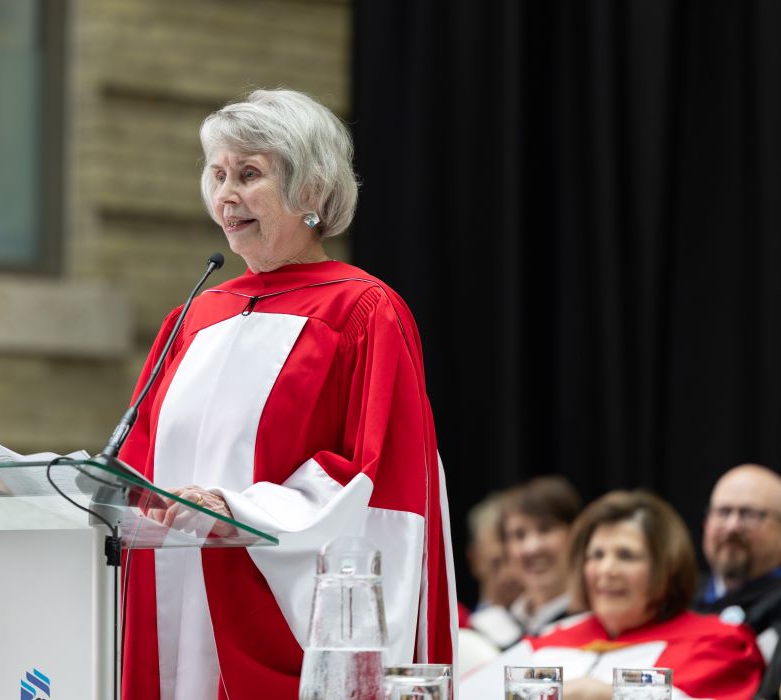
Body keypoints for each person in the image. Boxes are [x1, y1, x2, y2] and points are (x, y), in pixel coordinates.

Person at [116, 88, 456, 700]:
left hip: (275, 615)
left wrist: (235, 511)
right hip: (173, 595)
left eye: (249, 175)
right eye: (217, 174)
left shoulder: (362, 311)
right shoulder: (195, 315)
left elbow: (372, 480)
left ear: (314, 191)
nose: (225, 194)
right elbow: (138, 460)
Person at [461, 490, 764, 700]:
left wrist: (610, 694)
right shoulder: (549, 641)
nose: (607, 569)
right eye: (596, 555)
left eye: (626, 555)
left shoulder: (717, 646)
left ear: (668, 569)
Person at [693, 463, 781, 699]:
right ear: (706, 523)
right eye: (723, 512)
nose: (732, 526)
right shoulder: (673, 598)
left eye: (750, 515)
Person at [493, 476, 582, 646]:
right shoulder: (490, 631)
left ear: (575, 535)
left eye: (545, 529)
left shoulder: (598, 628)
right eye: (519, 535)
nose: (532, 547)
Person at [465, 491, 524, 648]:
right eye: (496, 563)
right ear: (475, 560)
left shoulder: (544, 628)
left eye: (516, 560)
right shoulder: (458, 630)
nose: (508, 573)